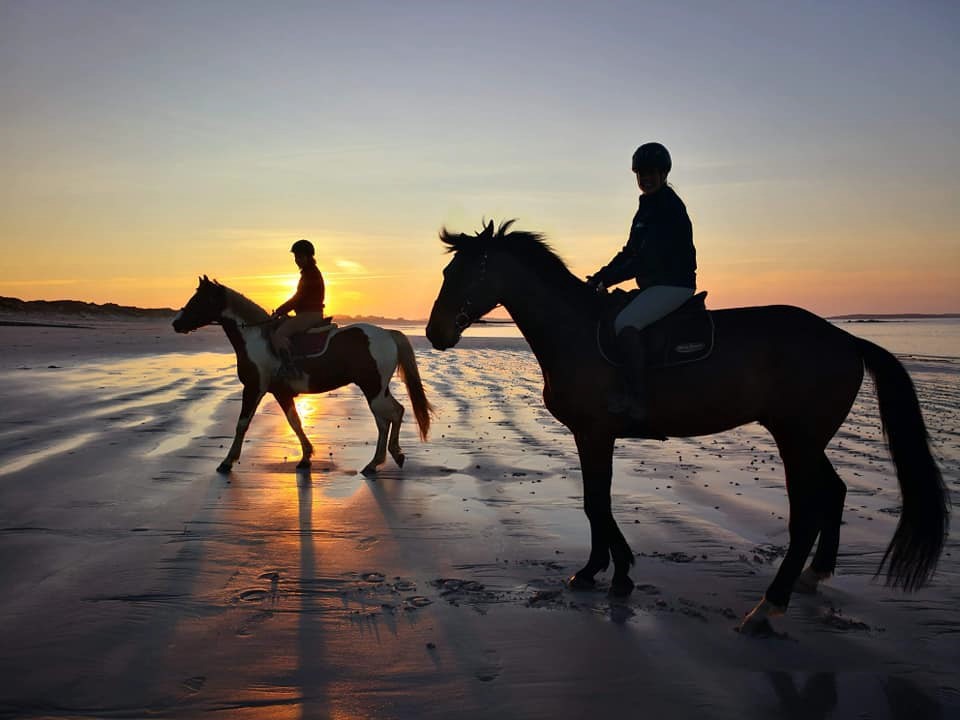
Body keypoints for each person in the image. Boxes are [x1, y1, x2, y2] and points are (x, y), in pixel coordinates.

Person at [586, 142, 697, 420]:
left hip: (673, 284)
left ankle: (635, 397)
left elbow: (647, 258)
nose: (646, 179)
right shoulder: (646, 207)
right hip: (655, 284)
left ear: (663, 174)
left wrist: (609, 279)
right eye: (641, 174)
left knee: (625, 323)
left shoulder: (668, 208)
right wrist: (600, 275)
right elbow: (630, 251)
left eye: (651, 173)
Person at [271, 239, 326, 378]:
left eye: (300, 257)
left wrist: (279, 311)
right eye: (296, 257)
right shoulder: (308, 272)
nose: (297, 260)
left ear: (309, 256)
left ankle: (290, 370)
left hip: (309, 315)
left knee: (279, 334)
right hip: (308, 313)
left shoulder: (310, 274)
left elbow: (298, 298)